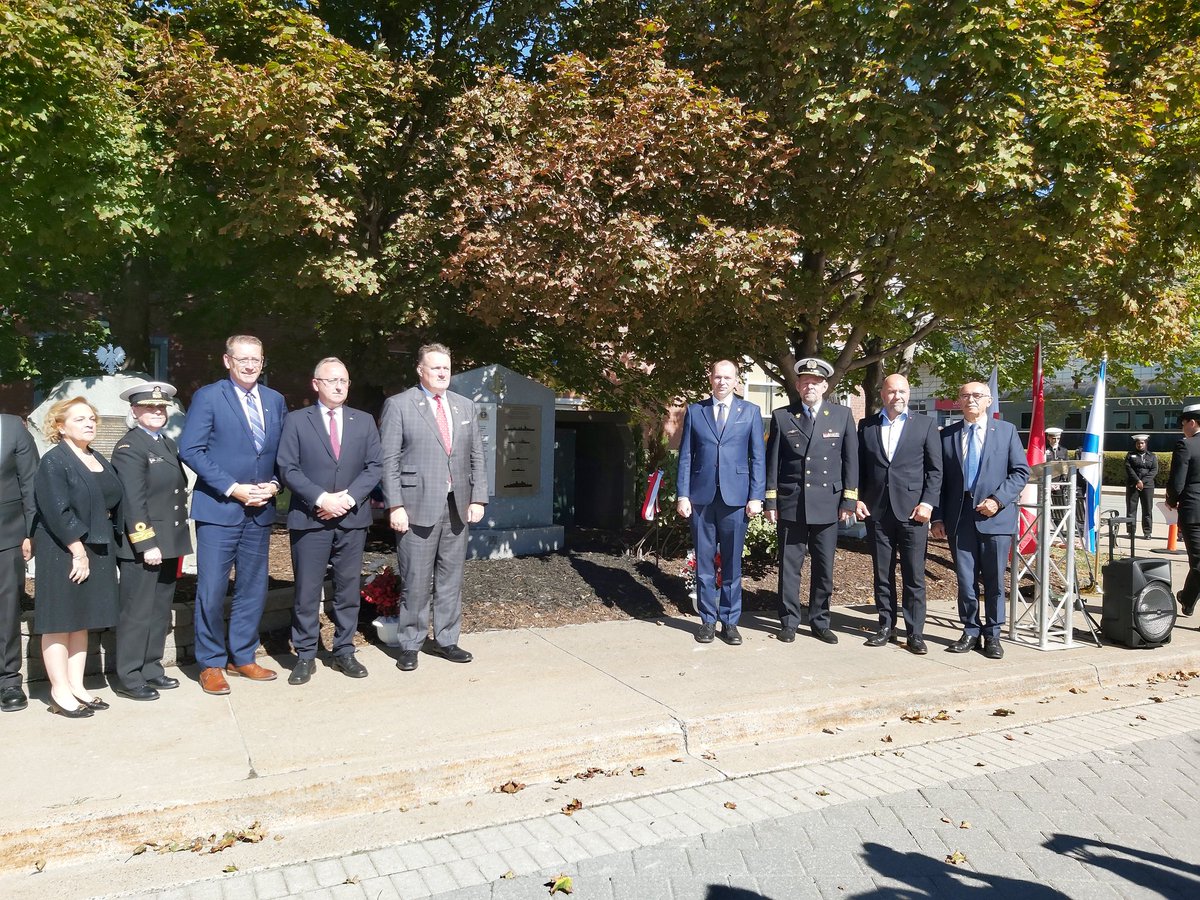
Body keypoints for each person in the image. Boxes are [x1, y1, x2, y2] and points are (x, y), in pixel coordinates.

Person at [179, 336, 285, 695]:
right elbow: (190, 449)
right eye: (243, 359)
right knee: (211, 589)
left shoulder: (275, 400)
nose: (250, 365)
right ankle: (210, 663)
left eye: (256, 359)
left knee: (253, 587)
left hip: (260, 509)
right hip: (220, 508)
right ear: (228, 361)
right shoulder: (209, 397)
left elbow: (281, 454)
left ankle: (242, 656)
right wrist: (232, 488)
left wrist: (274, 484)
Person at [380, 343, 488, 672]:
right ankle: (410, 643)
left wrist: (478, 497)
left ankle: (446, 640)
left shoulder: (465, 407)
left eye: (446, 367)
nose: (442, 373)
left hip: (457, 506)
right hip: (415, 507)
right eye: (435, 367)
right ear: (420, 370)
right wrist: (395, 505)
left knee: (450, 578)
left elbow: (476, 456)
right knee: (415, 578)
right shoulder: (399, 405)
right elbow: (389, 461)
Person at [277, 358, 382, 684]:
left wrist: (347, 500)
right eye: (332, 380)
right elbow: (287, 467)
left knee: (348, 590)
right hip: (311, 519)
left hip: (351, 519)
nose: (339, 386)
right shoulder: (296, 421)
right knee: (307, 591)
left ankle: (343, 651)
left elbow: (375, 466)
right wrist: (323, 499)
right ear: (316, 383)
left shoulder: (363, 421)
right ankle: (306, 655)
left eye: (344, 381)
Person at [32, 397, 124, 717]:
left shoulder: (96, 456)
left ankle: (77, 685)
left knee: (81, 620)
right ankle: (59, 691)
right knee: (60, 620)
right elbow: (56, 510)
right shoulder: (54, 461)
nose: (89, 424)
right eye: (81, 419)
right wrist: (77, 551)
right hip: (64, 549)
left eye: (92, 419)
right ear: (60, 426)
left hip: (95, 547)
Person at [931, 382, 1030, 660]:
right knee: (965, 580)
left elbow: (1020, 472)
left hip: (995, 518)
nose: (970, 400)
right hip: (958, 520)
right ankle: (971, 630)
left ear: (988, 401)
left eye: (976, 395)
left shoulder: (1006, 432)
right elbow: (939, 480)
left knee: (995, 581)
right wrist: (937, 516)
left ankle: (993, 634)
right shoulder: (947, 435)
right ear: (958, 401)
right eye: (964, 395)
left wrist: (998, 500)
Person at [764, 357, 859, 644]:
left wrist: (849, 501)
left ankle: (820, 621)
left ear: (825, 386)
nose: (810, 387)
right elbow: (773, 464)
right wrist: (771, 502)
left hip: (828, 504)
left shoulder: (842, 416)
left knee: (823, 567)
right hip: (792, 503)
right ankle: (789, 621)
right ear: (797, 386)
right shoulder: (782, 416)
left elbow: (850, 461)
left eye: (815, 383)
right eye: (805, 382)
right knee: (789, 567)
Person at [110, 381, 192, 702]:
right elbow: (133, 501)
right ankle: (129, 676)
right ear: (134, 411)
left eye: (161, 408)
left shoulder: (166, 443)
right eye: (149, 408)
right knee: (137, 611)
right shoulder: (130, 447)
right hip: (145, 545)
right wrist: (147, 543)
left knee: (159, 609)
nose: (156, 412)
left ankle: (151, 667)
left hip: (168, 541)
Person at [676, 360, 766, 645]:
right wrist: (682, 494)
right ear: (710, 379)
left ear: (736, 380)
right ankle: (707, 620)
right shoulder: (695, 411)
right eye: (718, 377)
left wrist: (756, 496)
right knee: (704, 563)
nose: (722, 382)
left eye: (728, 377)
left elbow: (757, 458)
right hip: (701, 500)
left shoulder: (750, 412)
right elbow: (686, 456)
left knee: (731, 565)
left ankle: (729, 622)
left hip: (736, 499)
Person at [855, 374, 942, 655]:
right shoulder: (866, 426)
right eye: (892, 392)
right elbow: (858, 467)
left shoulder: (925, 425)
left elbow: (935, 470)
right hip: (877, 511)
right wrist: (856, 498)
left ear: (909, 393)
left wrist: (928, 503)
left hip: (913, 512)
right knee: (882, 573)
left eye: (903, 391)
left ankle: (915, 632)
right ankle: (885, 626)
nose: (898, 397)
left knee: (914, 574)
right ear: (882, 394)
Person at [0, 413, 38, 712]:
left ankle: (8, 680)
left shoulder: (10, 428)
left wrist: (30, 532)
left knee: (6, 608)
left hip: (7, 534)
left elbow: (30, 481)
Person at [1166, 403, 1200, 618]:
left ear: (1192, 422)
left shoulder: (1185, 445)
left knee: (1198, 562)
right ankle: (1187, 598)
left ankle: (1187, 597)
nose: (1182, 429)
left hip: (1193, 512)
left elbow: (1177, 481)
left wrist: (1171, 500)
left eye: (1183, 424)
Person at [1125, 433, 1158, 541]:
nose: (1140, 445)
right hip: (1132, 485)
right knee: (1131, 510)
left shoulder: (1152, 456)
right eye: (1138, 443)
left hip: (1147, 486)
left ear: (1146, 444)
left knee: (1147, 510)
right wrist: (1137, 481)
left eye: (1142, 443)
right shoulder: (1130, 455)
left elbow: (1154, 471)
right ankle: (1131, 531)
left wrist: (1142, 482)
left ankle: (1147, 532)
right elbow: (1129, 469)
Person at [1045, 426, 1069, 528]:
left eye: (1058, 438)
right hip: (1046, 482)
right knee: (1044, 506)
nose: (1055, 441)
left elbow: (1066, 467)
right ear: (1048, 438)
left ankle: (1058, 528)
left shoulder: (1063, 450)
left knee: (1059, 506)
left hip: (1058, 483)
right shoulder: (1043, 449)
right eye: (1053, 438)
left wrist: (1062, 481)